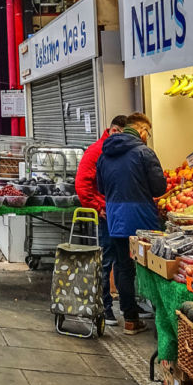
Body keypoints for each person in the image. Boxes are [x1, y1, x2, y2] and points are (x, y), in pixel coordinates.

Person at [95, 111, 167, 335]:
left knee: (123, 267)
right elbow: (159, 187)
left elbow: (101, 187)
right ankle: (161, 319)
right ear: (141, 130)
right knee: (152, 267)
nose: (147, 136)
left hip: (115, 218)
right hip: (142, 219)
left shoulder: (105, 154)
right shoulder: (144, 152)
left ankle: (130, 320)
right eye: (148, 132)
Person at [76, 115, 127, 327]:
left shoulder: (122, 151)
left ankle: (127, 305)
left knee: (124, 261)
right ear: (115, 131)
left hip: (123, 212)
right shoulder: (97, 151)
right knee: (106, 261)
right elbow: (82, 185)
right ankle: (104, 307)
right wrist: (99, 207)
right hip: (108, 214)